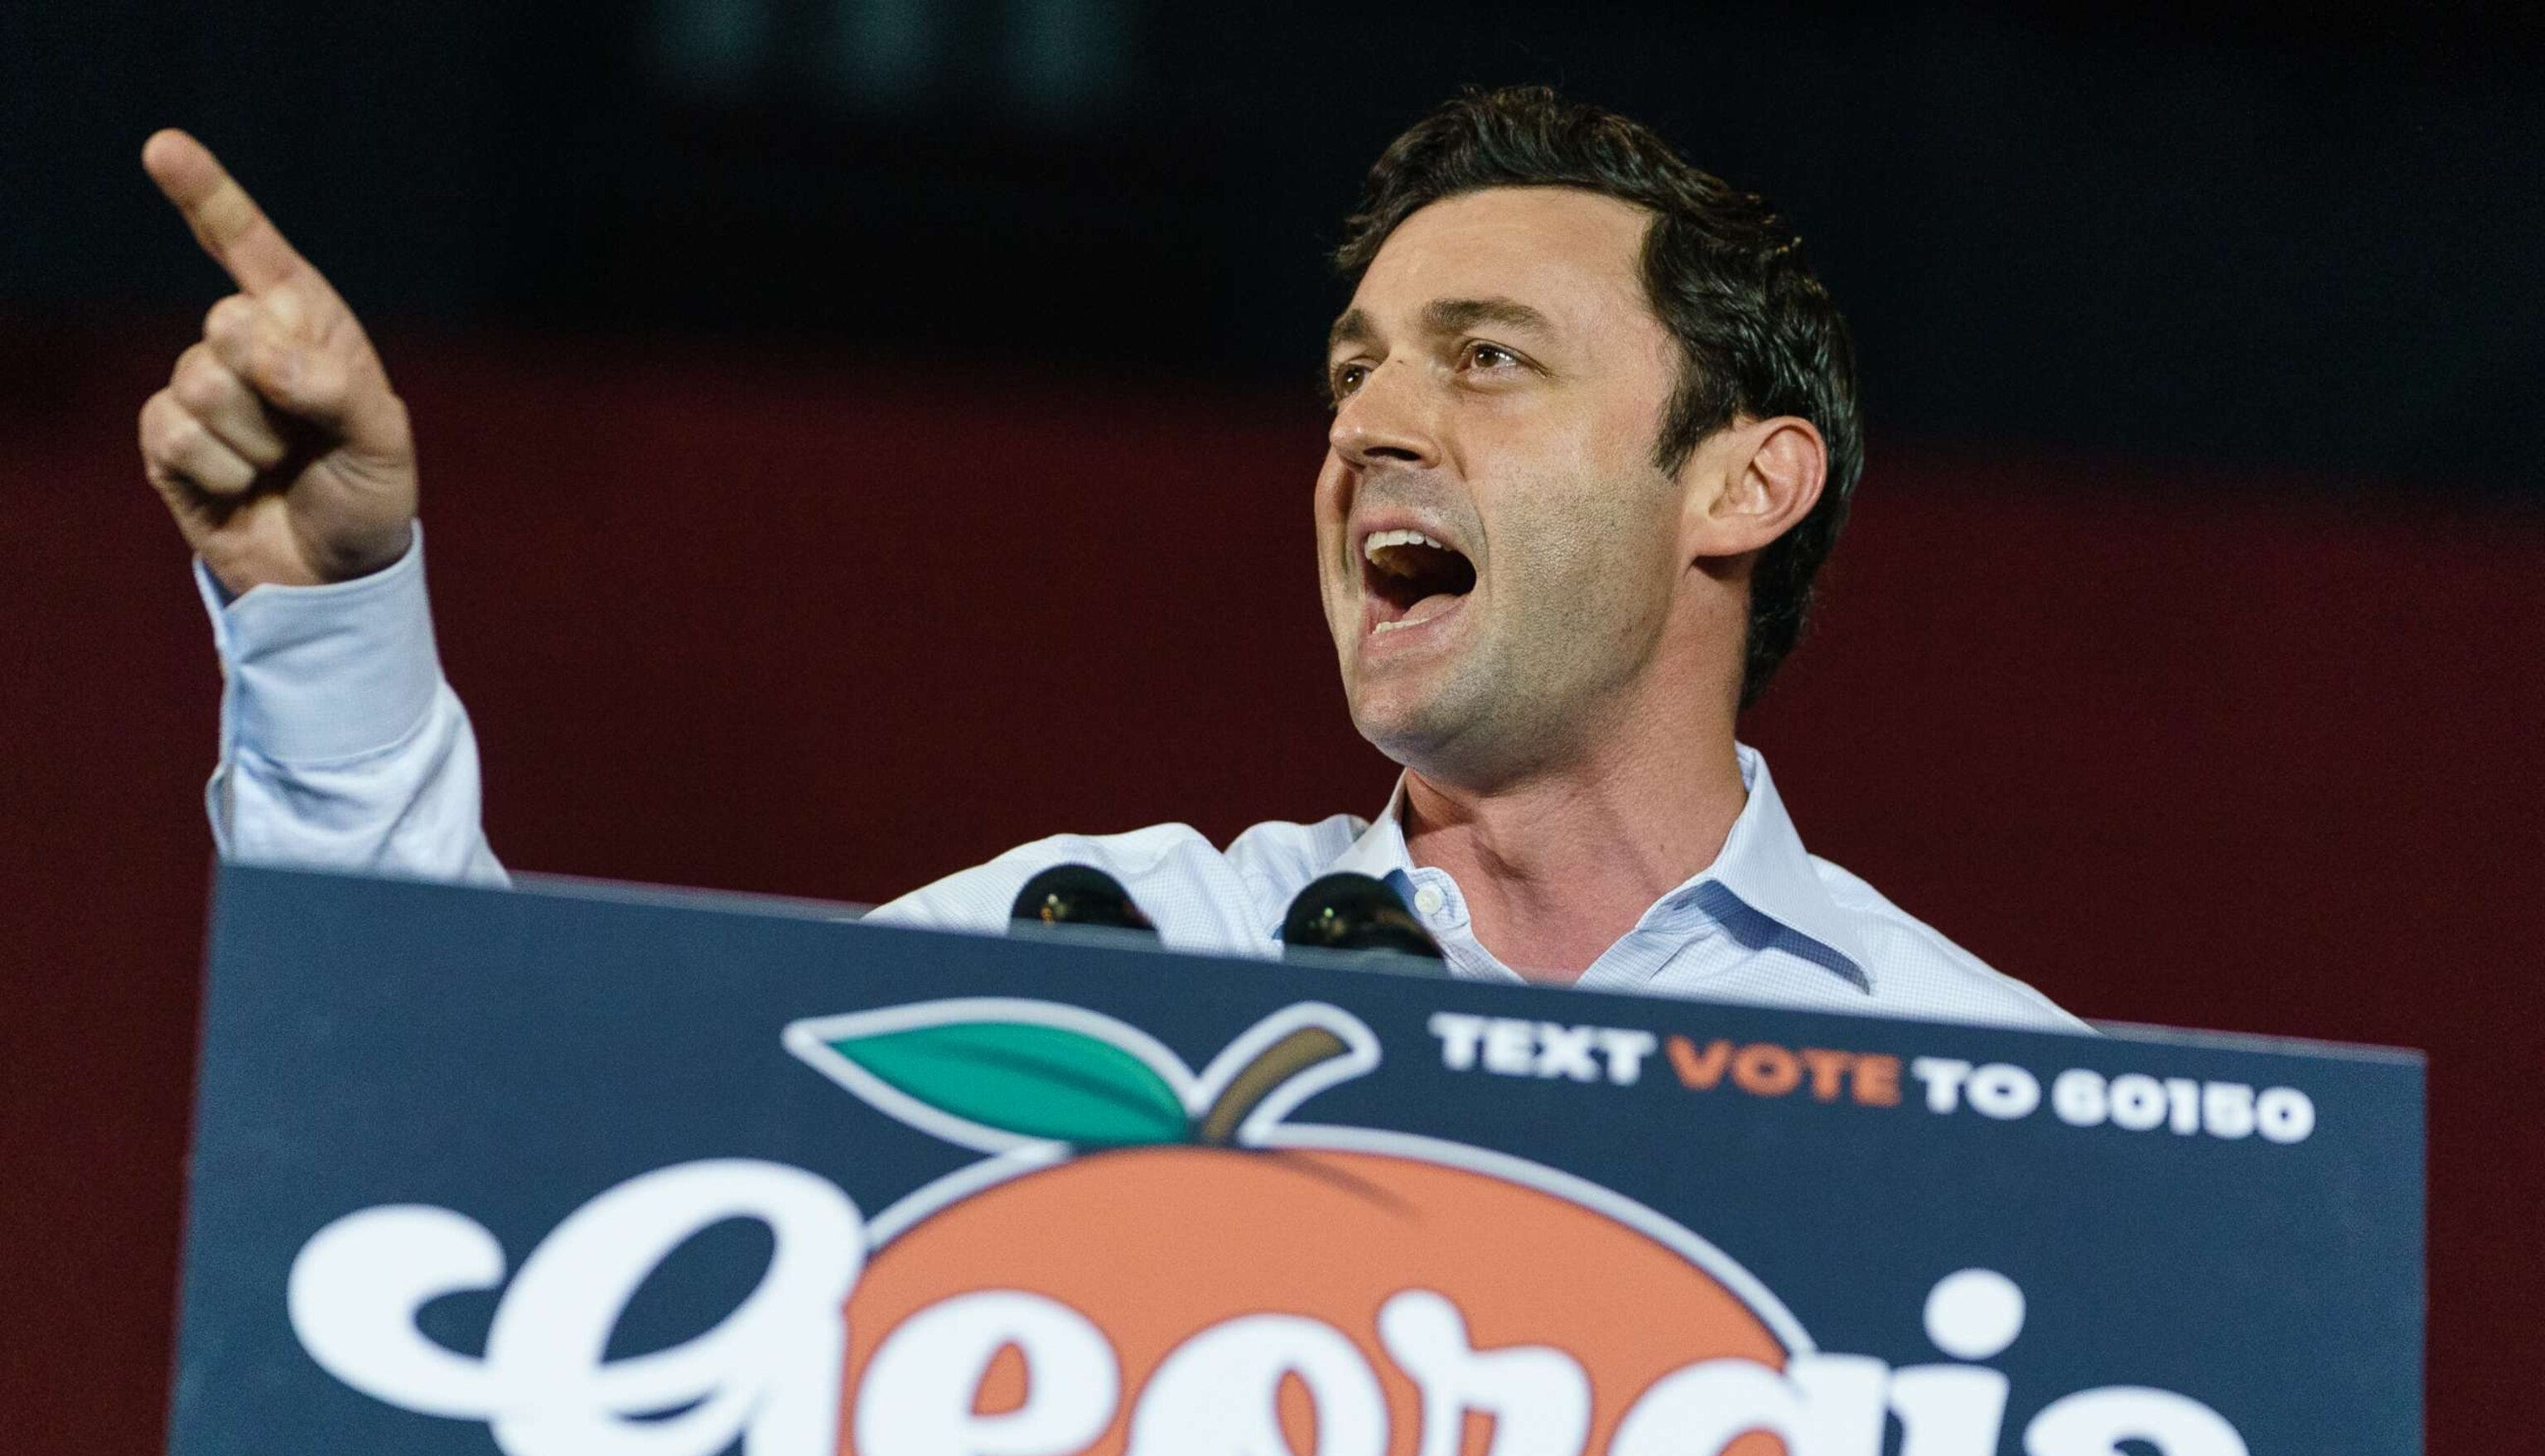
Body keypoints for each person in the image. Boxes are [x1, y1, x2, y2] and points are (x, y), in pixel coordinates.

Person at [138, 87, 2081, 1031]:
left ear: (1742, 485)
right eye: (1354, 373)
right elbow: (477, 1120)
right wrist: (325, 616)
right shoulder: (1108, 959)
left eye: (1487, 358)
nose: (1370, 427)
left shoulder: (2001, 1087)